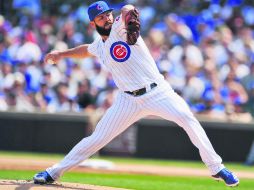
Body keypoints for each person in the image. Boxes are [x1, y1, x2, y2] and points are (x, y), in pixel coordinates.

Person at [33, 1, 239, 187]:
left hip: (158, 92)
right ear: (92, 24)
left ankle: (216, 167)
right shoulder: (99, 44)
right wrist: (61, 54)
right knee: (96, 139)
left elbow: (128, 8)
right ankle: (53, 172)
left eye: (107, 14)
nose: (106, 18)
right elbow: (87, 49)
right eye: (101, 17)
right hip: (127, 100)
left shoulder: (121, 28)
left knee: (187, 118)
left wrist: (128, 11)